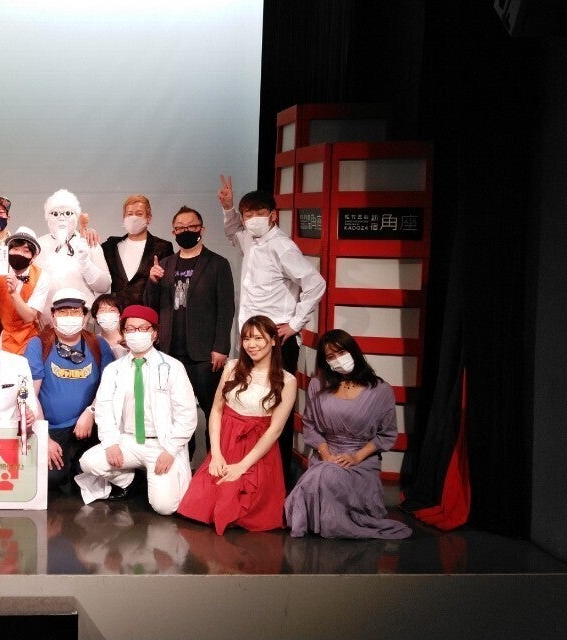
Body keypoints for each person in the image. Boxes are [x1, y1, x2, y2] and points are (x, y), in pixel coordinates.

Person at [219, 177, 326, 480]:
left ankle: (276, 477)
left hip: (277, 340)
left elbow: (315, 284)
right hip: (250, 339)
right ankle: (248, 469)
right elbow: (233, 232)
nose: (252, 219)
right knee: (249, 402)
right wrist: (229, 208)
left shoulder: (282, 247)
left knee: (276, 408)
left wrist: (294, 324)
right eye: (248, 214)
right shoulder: (250, 239)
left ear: (273, 215)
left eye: (259, 213)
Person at [284, 330, 412, 539]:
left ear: (353, 352)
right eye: (330, 356)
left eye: (341, 353)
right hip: (326, 454)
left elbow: (386, 434)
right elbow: (310, 426)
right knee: (325, 472)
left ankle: (322, 521)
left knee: (326, 476)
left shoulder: (381, 390)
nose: (337, 360)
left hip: (361, 460)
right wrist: (326, 455)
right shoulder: (318, 385)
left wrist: (356, 457)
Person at [176, 315, 296, 534]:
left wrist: (243, 465)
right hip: (226, 443)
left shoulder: (286, 380)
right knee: (197, 504)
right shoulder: (232, 367)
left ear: (273, 340)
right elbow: (216, 410)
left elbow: (275, 430)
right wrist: (216, 454)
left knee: (235, 503)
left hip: (257, 449)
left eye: (258, 338)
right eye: (247, 339)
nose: (251, 344)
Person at [74, 305, 198, 515]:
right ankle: (129, 480)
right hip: (128, 440)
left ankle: (153, 477)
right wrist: (111, 443)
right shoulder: (114, 370)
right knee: (89, 462)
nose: (136, 333)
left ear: (154, 333)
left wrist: (170, 450)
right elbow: (104, 408)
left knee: (165, 507)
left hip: (161, 444)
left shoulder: (172, 367)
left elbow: (187, 414)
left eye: (143, 328)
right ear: (123, 333)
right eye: (130, 329)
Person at [144, 205, 235, 455]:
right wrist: (152, 281)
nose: (186, 231)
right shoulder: (164, 265)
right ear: (173, 232)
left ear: (202, 229)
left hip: (205, 355)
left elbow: (226, 308)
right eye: (180, 228)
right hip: (171, 352)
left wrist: (221, 347)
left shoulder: (217, 264)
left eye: (191, 226)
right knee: (176, 413)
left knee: (213, 409)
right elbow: (150, 307)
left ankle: (215, 461)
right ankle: (182, 463)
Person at [23, 288, 115, 491]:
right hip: (53, 428)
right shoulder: (39, 344)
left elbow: (109, 387)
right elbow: (31, 394)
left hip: (91, 425)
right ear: (53, 315)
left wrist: (91, 411)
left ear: (85, 316)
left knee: (97, 468)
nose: (69, 317)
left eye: (75, 312)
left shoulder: (98, 344)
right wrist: (44, 438)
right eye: (63, 312)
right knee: (51, 478)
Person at [0, 228, 52, 354]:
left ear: (33, 257)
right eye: (15, 249)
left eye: (26, 251)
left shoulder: (42, 276)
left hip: (26, 339)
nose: (19, 254)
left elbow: (29, 317)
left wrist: (13, 293)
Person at [36, 189, 111, 307]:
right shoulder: (37, 246)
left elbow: (104, 286)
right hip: (48, 315)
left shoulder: (89, 242)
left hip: (83, 314)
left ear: (76, 217)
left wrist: (86, 263)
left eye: (67, 213)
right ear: (47, 217)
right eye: (55, 214)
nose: (61, 218)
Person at [100, 194, 174, 309]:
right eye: (129, 214)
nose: (134, 218)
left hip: (147, 313)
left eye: (139, 214)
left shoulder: (162, 247)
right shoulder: (110, 246)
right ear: (123, 217)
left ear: (149, 218)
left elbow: (168, 286)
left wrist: (155, 280)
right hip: (115, 313)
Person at [91, 293, 127, 359]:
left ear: (120, 315)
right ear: (96, 317)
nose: (107, 314)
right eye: (102, 310)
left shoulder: (129, 340)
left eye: (112, 310)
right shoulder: (92, 342)